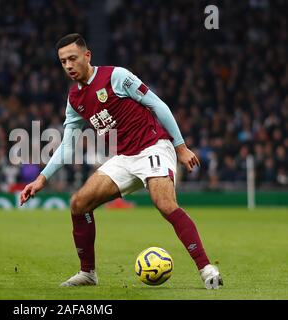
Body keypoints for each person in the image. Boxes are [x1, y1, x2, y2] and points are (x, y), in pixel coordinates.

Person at [20, 33, 223, 289]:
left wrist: (180, 146)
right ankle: (88, 273)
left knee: (165, 203)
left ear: (87, 55)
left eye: (72, 58)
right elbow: (67, 145)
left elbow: (157, 105)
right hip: (124, 158)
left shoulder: (116, 77)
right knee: (78, 204)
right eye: (63, 61)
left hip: (153, 147)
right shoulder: (75, 100)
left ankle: (206, 268)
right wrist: (41, 179)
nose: (68, 65)